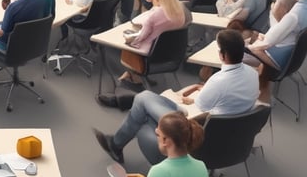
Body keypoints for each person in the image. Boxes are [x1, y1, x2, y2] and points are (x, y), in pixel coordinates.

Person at [94, 29, 258, 165]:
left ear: (223, 55)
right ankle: (118, 135)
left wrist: (198, 92)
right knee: (147, 100)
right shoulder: (252, 74)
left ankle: (116, 143)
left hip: (198, 132)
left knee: (143, 102)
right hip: (231, 136)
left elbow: (198, 106)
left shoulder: (218, 80)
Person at [245, 0, 307, 102]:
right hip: (290, 55)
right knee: (255, 38)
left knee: (241, 46)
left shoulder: (293, 15)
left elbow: (269, 42)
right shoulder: (304, 9)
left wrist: (250, 46)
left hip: (279, 57)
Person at [118, 0, 189, 87]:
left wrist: (128, 38)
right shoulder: (181, 11)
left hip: (151, 57)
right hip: (173, 56)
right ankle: (134, 75)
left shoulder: (154, 16)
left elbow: (140, 38)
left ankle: (134, 77)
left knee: (128, 46)